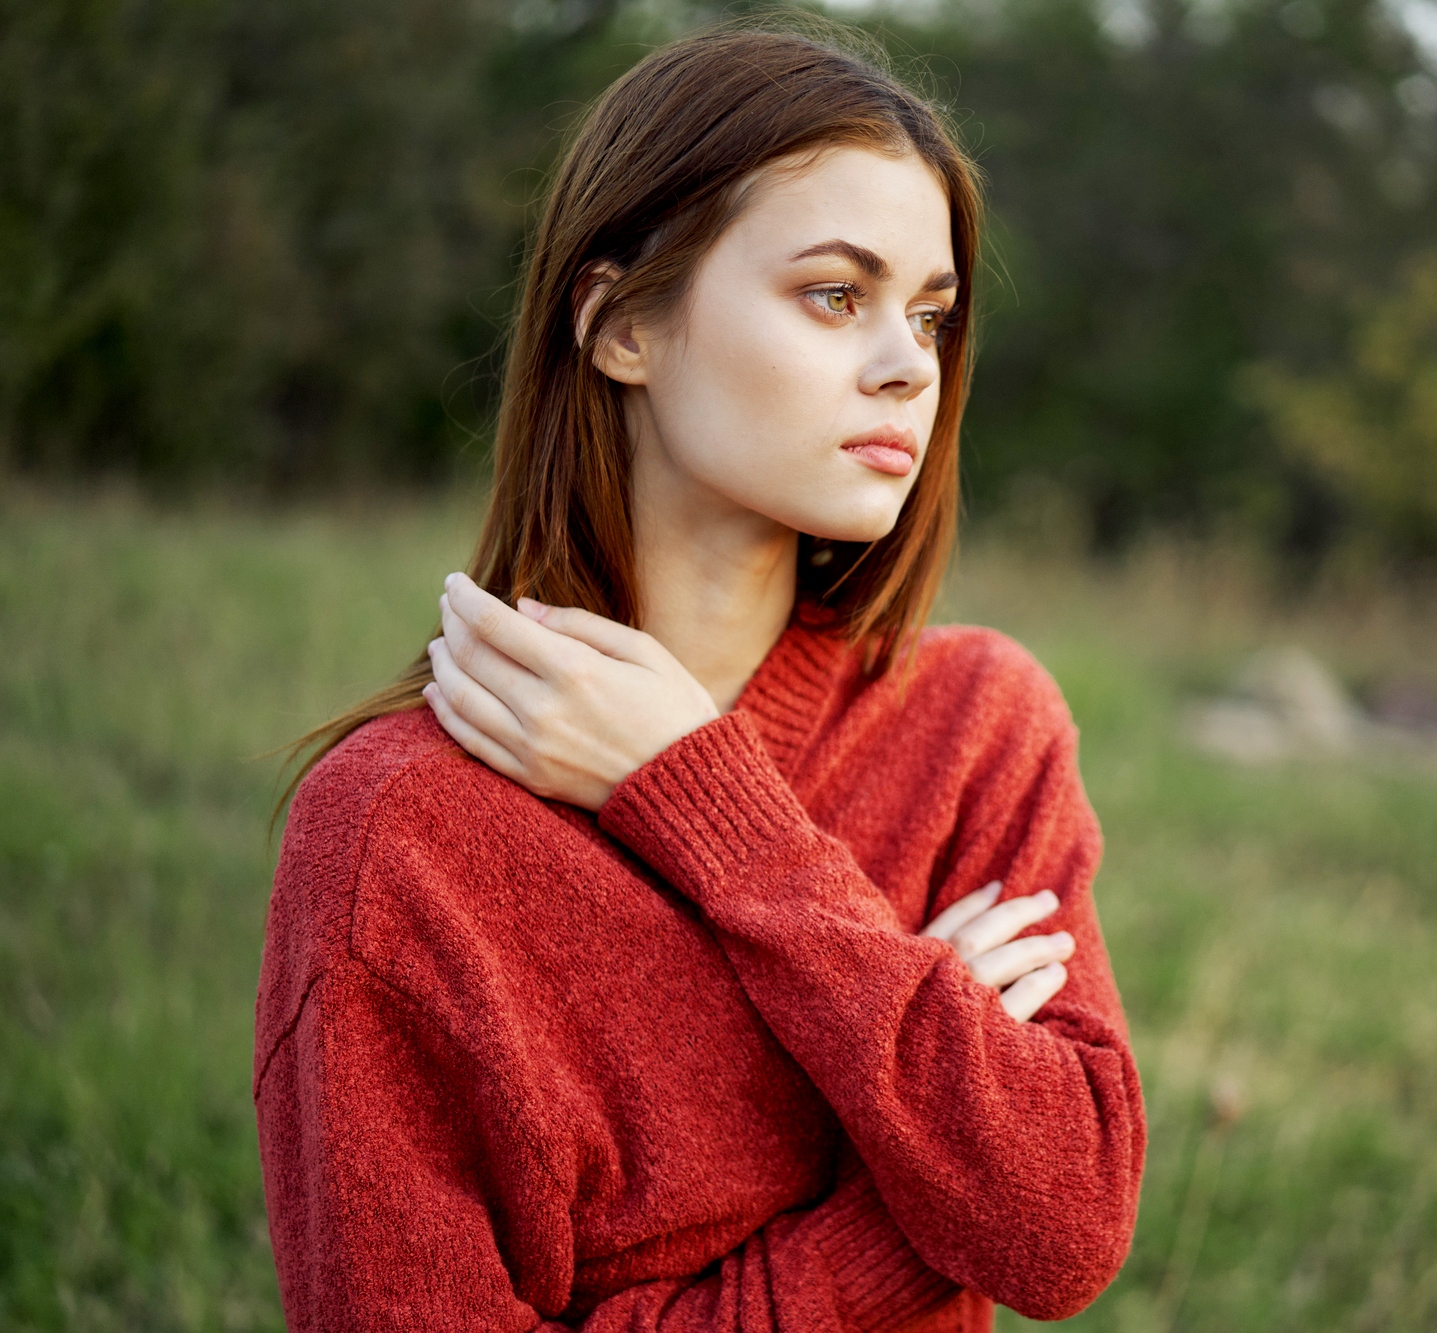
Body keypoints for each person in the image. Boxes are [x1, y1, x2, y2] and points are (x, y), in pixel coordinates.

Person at [254, 25, 1145, 1332]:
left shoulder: (977, 729)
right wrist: (905, 1193)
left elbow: (1062, 1228)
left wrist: (708, 802)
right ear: (621, 325)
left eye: (934, 315)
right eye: (836, 293)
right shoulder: (399, 834)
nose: (910, 363)